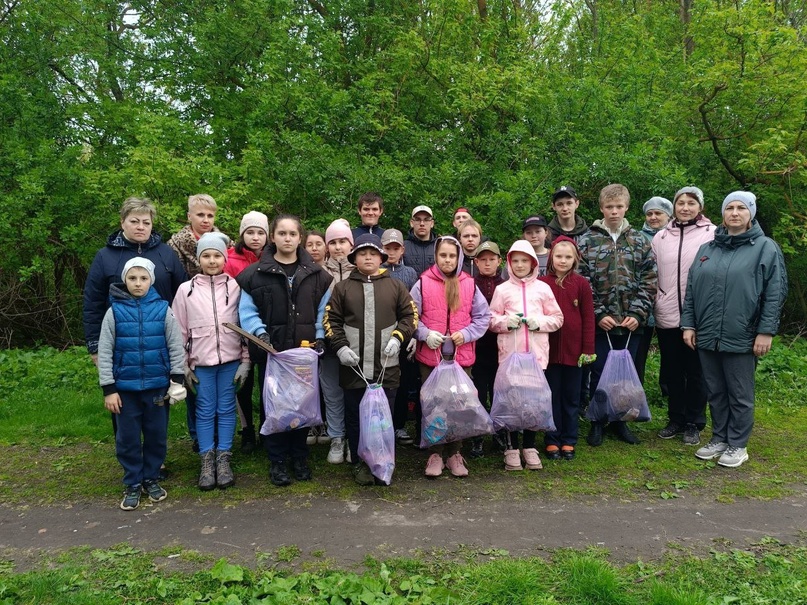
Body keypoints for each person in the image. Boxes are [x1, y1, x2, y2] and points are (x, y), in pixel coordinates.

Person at [682, 191, 787, 468]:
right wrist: (689, 324)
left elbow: (774, 294)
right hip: (707, 335)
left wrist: (766, 331)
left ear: (751, 213)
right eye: (730, 208)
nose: (735, 213)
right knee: (715, 391)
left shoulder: (765, 248)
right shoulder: (707, 249)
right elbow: (691, 290)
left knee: (739, 393)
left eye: (742, 208)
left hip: (743, 334)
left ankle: (738, 444)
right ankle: (719, 438)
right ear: (723, 214)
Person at [237, 215, 333, 486]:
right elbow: (246, 311)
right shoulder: (253, 275)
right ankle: (277, 459)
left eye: (292, 233)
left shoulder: (318, 276)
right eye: (282, 233)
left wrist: (319, 337)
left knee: (302, 405)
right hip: (273, 353)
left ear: (299, 238)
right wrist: (260, 333)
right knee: (274, 405)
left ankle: (299, 455)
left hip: (303, 353)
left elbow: (323, 311)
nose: (287, 238)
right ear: (273, 237)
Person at [324, 234, 417, 485]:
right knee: (355, 417)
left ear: (381, 258)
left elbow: (410, 316)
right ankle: (359, 462)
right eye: (363, 253)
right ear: (354, 258)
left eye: (373, 253)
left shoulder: (396, 286)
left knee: (383, 418)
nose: (368, 257)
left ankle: (383, 460)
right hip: (353, 369)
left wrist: (398, 338)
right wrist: (340, 348)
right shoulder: (342, 288)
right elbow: (331, 321)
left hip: (387, 368)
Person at [96, 258, 186, 511]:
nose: (138, 283)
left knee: (157, 435)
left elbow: (175, 345)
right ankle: (133, 481)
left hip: (157, 387)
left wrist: (177, 379)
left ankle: (152, 477)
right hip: (125, 391)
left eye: (143, 278)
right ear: (125, 280)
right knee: (128, 438)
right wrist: (109, 388)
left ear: (151, 281)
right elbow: (105, 351)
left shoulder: (163, 309)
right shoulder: (113, 312)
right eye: (133, 278)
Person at [578, 184, 657, 447]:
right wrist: (598, 313)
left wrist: (638, 312)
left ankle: (621, 420)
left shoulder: (639, 241)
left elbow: (649, 279)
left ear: (626, 208)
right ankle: (598, 421)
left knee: (626, 373)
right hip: (601, 323)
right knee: (600, 372)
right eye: (609, 207)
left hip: (631, 323)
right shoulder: (587, 241)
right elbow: (583, 281)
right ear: (601, 208)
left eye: (619, 207)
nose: (614, 211)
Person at [173, 233, 250, 490]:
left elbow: (244, 326)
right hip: (201, 363)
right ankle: (206, 460)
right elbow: (179, 330)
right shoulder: (186, 290)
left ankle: (224, 457)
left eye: (217, 255)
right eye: (206, 255)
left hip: (230, 361)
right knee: (204, 410)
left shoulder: (236, 287)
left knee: (227, 409)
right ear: (198, 259)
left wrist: (246, 361)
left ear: (224, 258)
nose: (212, 260)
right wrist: (182, 364)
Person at [410, 236, 491, 478]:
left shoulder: (469, 283)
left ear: (459, 258)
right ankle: (434, 454)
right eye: (443, 255)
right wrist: (424, 334)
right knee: (434, 406)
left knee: (458, 406)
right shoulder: (423, 283)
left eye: (452, 256)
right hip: (431, 360)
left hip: (460, 359)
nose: (447, 260)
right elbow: (411, 316)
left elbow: (482, 317)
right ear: (436, 256)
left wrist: (466, 334)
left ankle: (456, 452)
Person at [84, 197, 187, 366]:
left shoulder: (167, 253)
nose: (141, 227)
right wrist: (95, 346)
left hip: (162, 339)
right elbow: (92, 304)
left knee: (164, 389)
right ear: (122, 222)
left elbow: (183, 296)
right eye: (134, 221)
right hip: (121, 344)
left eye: (146, 223)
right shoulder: (105, 256)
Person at [489, 240, 564, 471]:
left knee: (533, 403)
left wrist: (539, 322)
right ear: (509, 263)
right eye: (516, 261)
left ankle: (530, 447)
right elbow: (490, 319)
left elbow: (558, 318)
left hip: (535, 358)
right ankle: (511, 449)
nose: (520, 265)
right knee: (512, 403)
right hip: (510, 358)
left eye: (525, 261)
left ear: (533, 263)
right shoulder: (502, 289)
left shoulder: (543, 289)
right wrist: (505, 322)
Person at [652, 187, 714, 446]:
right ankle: (675, 418)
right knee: (672, 371)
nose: (685, 207)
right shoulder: (661, 236)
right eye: (681, 203)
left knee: (696, 371)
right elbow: (651, 272)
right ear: (674, 207)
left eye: (691, 203)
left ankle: (694, 422)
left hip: (698, 315)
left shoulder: (713, 234)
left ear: (700, 207)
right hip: (666, 313)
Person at [539, 236, 596, 461]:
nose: (563, 261)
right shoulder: (543, 282)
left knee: (572, 397)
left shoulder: (581, 284)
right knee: (551, 396)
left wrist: (588, 348)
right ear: (551, 257)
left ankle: (569, 440)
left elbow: (588, 317)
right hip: (549, 352)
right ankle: (552, 440)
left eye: (568, 257)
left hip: (575, 353)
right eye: (559, 256)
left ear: (575, 259)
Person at [225, 211, 270, 453]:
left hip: (263, 328)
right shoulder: (230, 260)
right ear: (242, 234)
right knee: (243, 380)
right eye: (250, 232)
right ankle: (247, 429)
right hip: (236, 328)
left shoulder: (270, 259)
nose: (255, 237)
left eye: (260, 232)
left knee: (266, 381)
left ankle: (266, 425)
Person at [320, 219, 355, 460]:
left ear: (351, 244)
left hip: (356, 342)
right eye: (333, 242)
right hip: (329, 341)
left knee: (354, 392)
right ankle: (336, 437)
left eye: (343, 241)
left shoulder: (362, 270)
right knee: (332, 391)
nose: (338, 247)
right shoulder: (317, 272)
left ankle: (354, 438)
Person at [381, 229, 420, 446]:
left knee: (404, 382)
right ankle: (382, 423)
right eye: (388, 248)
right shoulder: (377, 271)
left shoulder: (411, 273)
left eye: (396, 248)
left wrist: (414, 334)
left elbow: (414, 306)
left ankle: (400, 425)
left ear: (402, 250)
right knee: (384, 381)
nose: (392, 252)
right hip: (381, 335)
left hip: (404, 335)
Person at [469, 240, 506, 458]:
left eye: (492, 259)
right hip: (477, 348)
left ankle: (500, 431)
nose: (487, 263)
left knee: (499, 392)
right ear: (476, 262)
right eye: (483, 259)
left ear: (499, 261)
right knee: (479, 393)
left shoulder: (506, 285)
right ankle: (478, 435)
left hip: (501, 348)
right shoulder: (470, 284)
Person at [635, 196, 673, 386]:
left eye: (658, 213)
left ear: (668, 215)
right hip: (645, 300)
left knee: (670, 350)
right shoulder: (638, 237)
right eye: (649, 213)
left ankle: (668, 387)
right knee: (639, 351)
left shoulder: (676, 236)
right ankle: (637, 388)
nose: (653, 217)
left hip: (670, 300)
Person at [167, 194, 224, 278]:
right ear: (189, 216)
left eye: (210, 216)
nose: (206, 220)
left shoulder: (225, 243)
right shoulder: (174, 246)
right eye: (200, 215)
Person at [404, 205, 437, 277]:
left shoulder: (439, 246)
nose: (422, 223)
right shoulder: (403, 247)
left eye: (426, 219)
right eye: (418, 219)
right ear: (411, 223)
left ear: (432, 223)